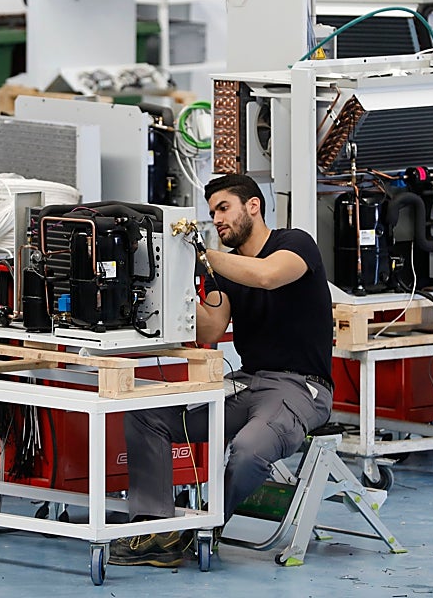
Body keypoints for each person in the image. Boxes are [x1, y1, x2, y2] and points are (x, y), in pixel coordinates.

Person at [109, 173, 333, 567]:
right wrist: (161, 282)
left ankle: (207, 528)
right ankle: (153, 529)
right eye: (212, 214)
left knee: (247, 451)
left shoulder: (295, 244)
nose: (217, 220)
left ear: (253, 205)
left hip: (300, 388)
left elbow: (266, 276)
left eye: (223, 208)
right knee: (147, 416)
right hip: (246, 384)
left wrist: (198, 252)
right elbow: (211, 327)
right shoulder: (222, 272)